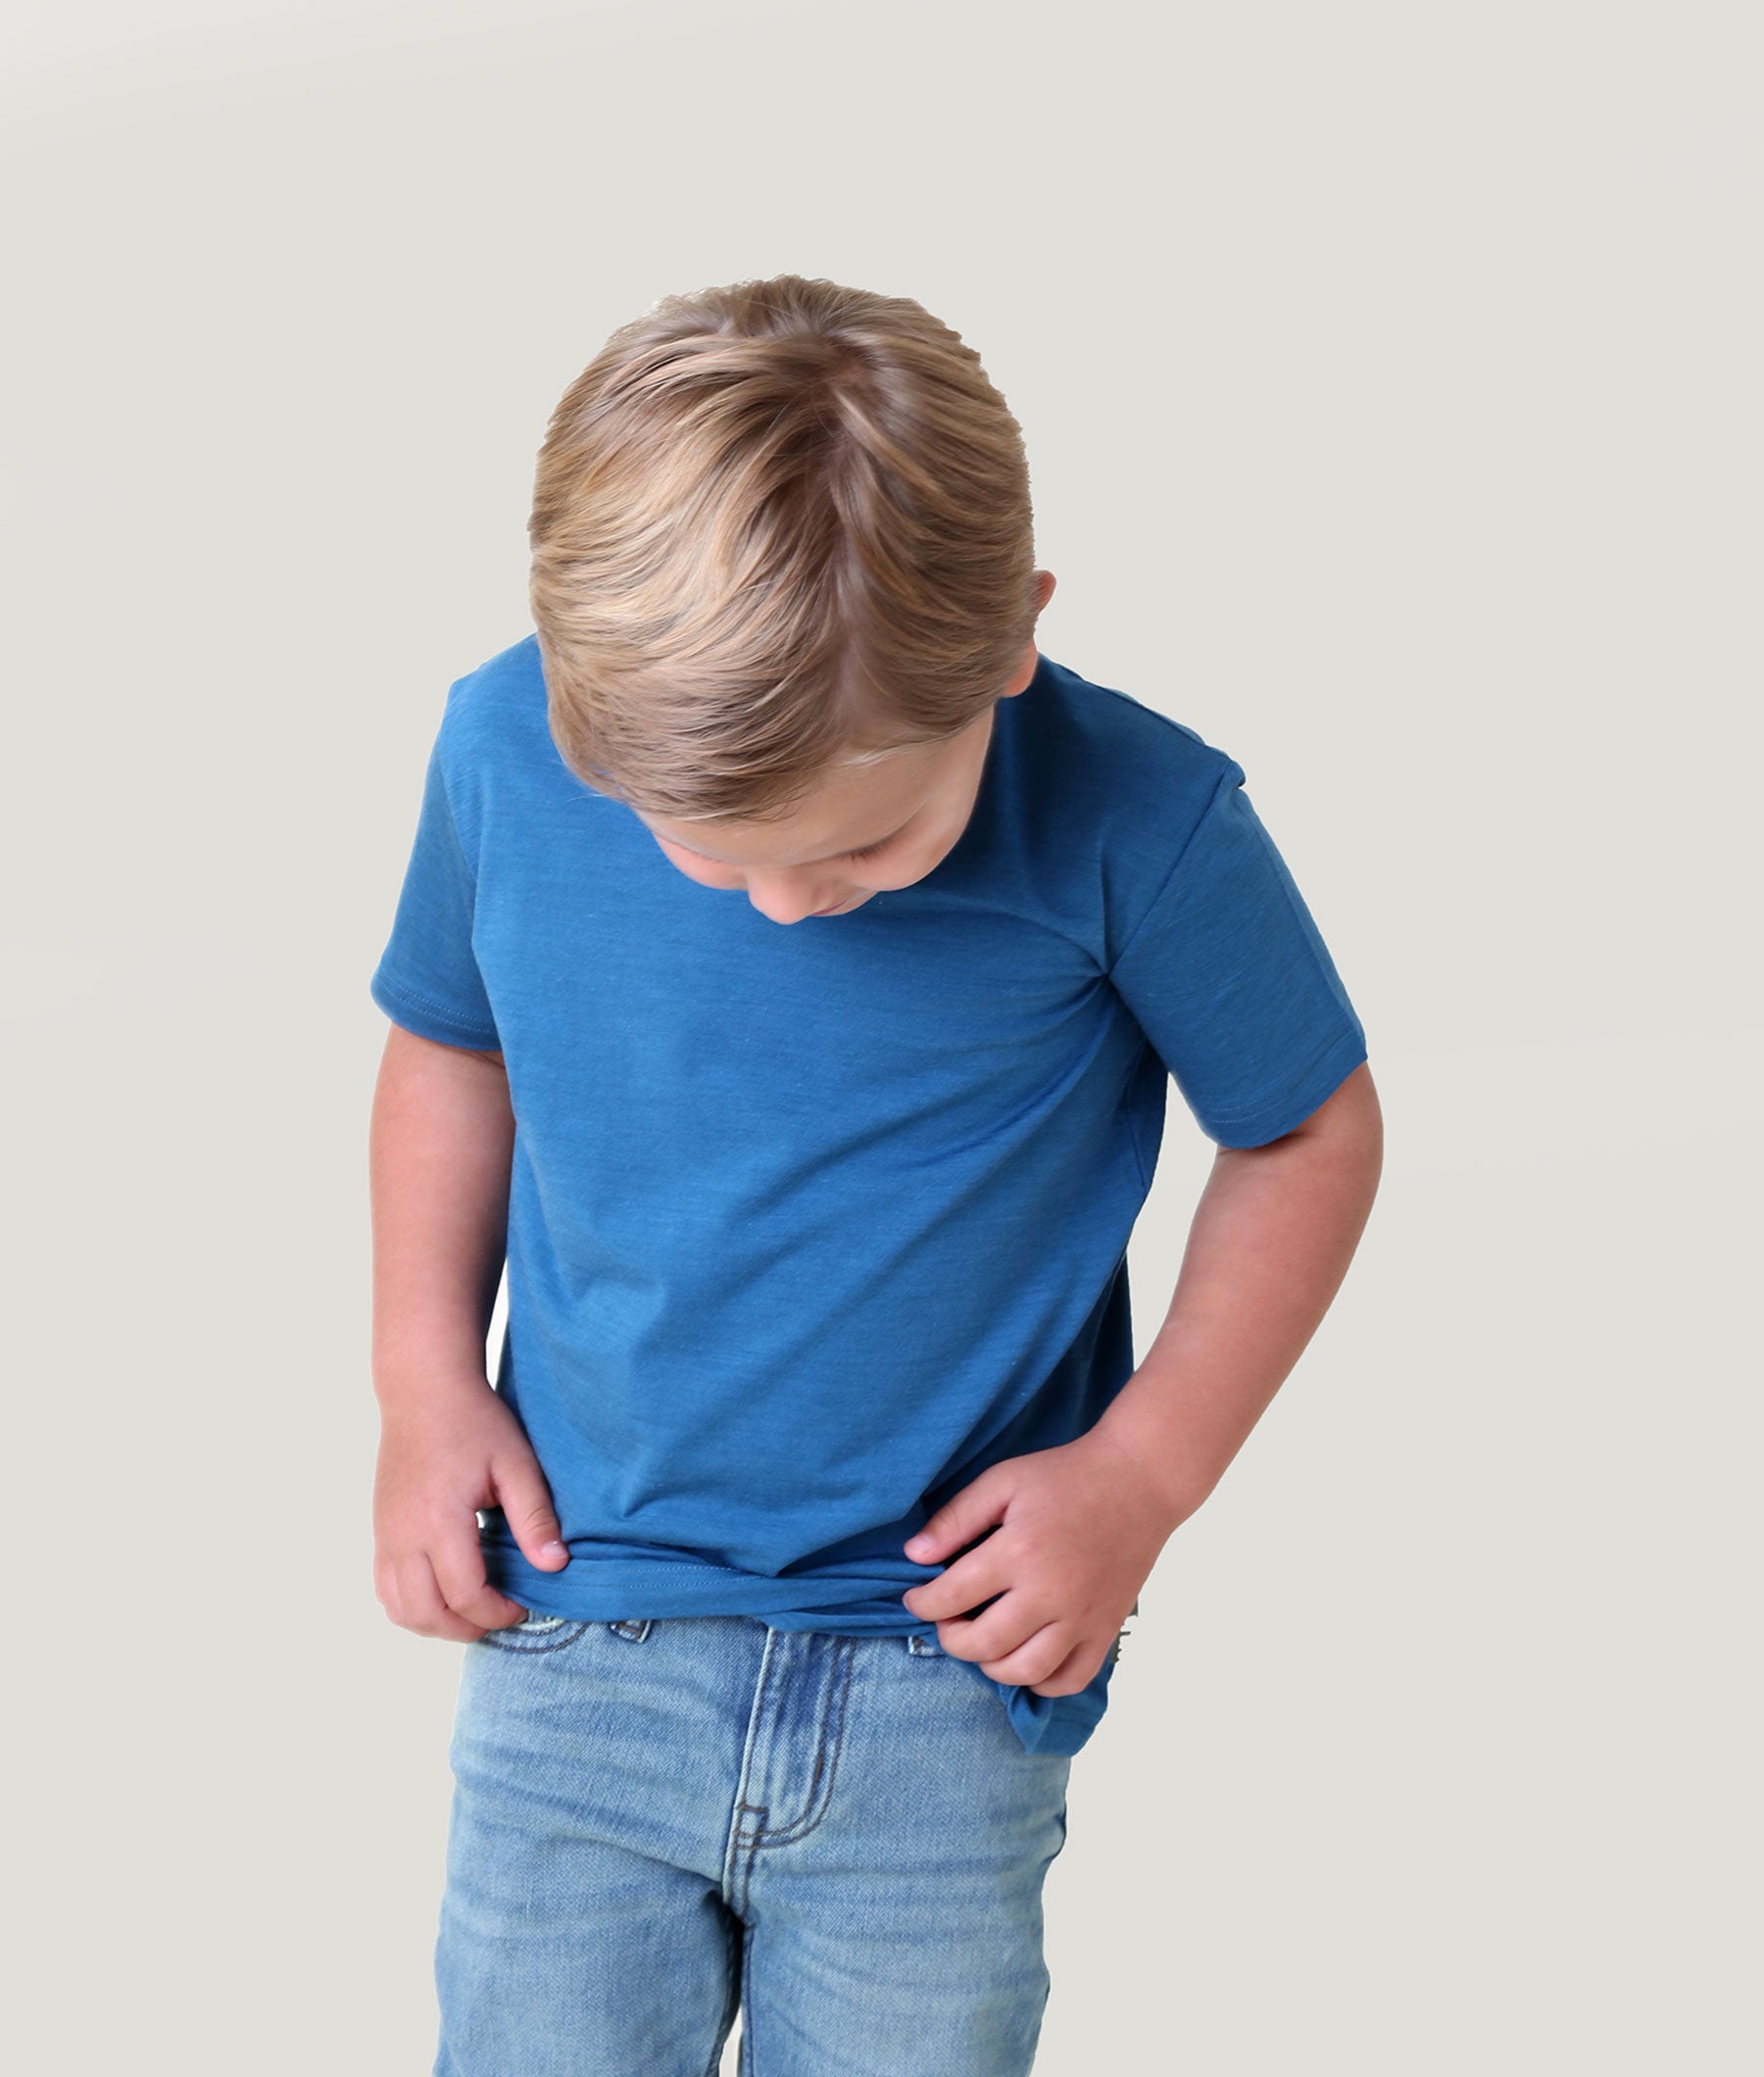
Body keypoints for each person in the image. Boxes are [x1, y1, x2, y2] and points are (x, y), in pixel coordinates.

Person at [368, 274, 1384, 2075]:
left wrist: (1142, 1475)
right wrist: (422, 1385)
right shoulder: (508, 748)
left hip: (942, 1667)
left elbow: (1306, 1130)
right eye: (710, 855)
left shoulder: (1143, 820)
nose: (788, 905)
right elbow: (455, 1046)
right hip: (576, 1626)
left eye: (866, 846)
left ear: (1013, 640)